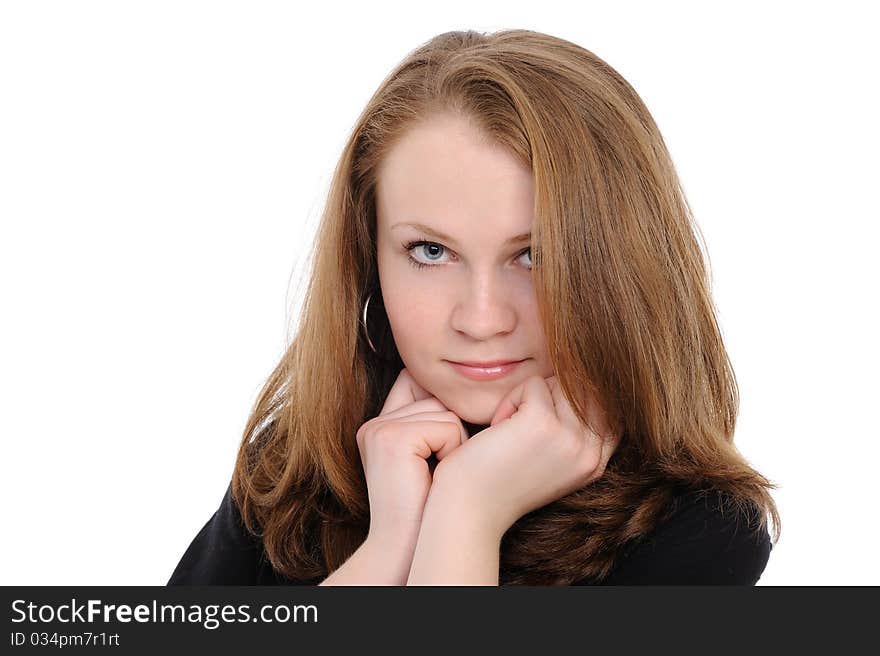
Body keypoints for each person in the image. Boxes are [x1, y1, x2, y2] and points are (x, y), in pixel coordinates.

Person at [168, 28, 780, 586]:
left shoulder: (699, 526)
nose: (482, 320)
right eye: (430, 251)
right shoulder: (289, 472)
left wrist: (466, 510)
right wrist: (390, 545)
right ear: (368, 260)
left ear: (618, 272)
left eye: (533, 256)